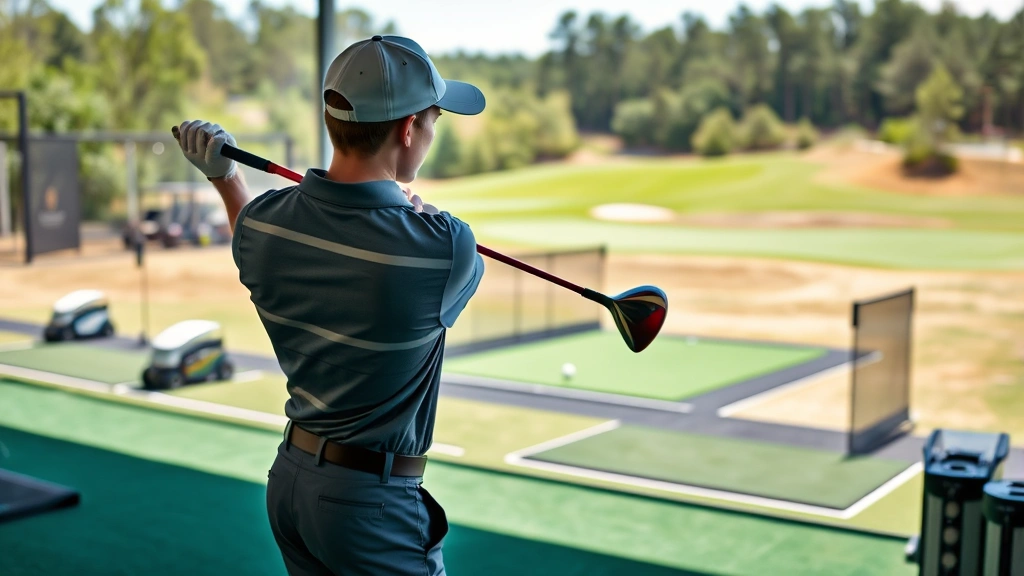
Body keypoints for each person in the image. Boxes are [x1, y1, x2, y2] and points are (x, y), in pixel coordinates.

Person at [174, 35, 486, 576]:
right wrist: (412, 217)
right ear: (408, 128)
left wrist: (226, 179)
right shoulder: (446, 246)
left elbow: (251, 229)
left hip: (292, 486)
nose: (432, 133)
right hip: (369, 506)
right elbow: (417, 255)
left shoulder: (264, 226)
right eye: (434, 120)